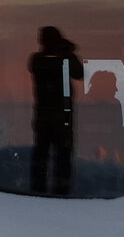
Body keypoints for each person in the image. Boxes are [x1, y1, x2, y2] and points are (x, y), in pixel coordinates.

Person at [28, 25, 84, 195]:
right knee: (62, 156)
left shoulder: (37, 59)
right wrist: (67, 51)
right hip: (61, 115)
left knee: (42, 154)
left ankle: (38, 190)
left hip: (44, 114)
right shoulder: (60, 58)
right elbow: (79, 72)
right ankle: (60, 191)